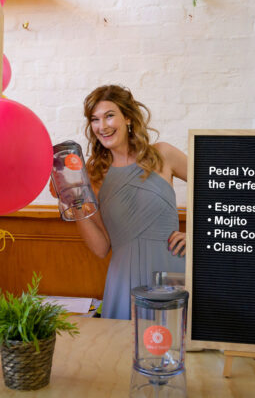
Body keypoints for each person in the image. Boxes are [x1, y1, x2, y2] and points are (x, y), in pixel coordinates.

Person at [52, 85, 188, 320]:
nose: (102, 126)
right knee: (122, 353)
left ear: (127, 117)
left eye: (109, 116)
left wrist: (198, 234)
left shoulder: (163, 154)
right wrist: (75, 203)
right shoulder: (93, 176)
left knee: (176, 347)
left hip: (172, 271)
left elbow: (218, 187)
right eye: (94, 119)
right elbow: (101, 247)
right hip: (124, 281)